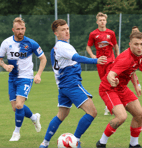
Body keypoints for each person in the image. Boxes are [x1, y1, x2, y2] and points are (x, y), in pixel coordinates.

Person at [39, 19, 107, 148]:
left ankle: (45, 143)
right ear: (56, 33)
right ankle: (74, 141)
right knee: (92, 112)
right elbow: (77, 58)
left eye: (67, 29)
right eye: (63, 30)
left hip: (63, 86)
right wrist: (96, 61)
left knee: (61, 115)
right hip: (71, 84)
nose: (67, 32)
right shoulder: (63, 46)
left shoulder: (55, 49)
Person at [0, 17, 47, 141]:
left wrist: (38, 74)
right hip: (12, 78)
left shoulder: (31, 43)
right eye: (18, 29)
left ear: (25, 29)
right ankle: (34, 118)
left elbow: (43, 58)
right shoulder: (6, 43)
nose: (20, 31)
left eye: (22, 29)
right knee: (16, 108)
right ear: (13, 30)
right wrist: (5, 66)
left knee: (19, 105)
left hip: (26, 77)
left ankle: (16, 133)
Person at [96, 31, 142, 148]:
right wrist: (113, 80)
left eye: (141, 44)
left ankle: (134, 144)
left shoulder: (140, 55)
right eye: (136, 44)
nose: (139, 47)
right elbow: (111, 74)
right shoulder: (125, 58)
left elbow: (132, 71)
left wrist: (136, 85)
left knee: (139, 115)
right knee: (121, 117)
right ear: (130, 44)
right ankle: (101, 143)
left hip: (122, 88)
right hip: (108, 88)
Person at [86, 12, 119, 115]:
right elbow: (88, 47)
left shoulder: (111, 33)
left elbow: (115, 46)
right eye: (100, 20)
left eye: (103, 20)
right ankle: (110, 105)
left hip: (111, 61)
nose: (102, 22)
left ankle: (109, 107)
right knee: (105, 83)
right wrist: (93, 56)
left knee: (110, 81)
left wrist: (117, 57)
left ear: (106, 21)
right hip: (100, 62)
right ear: (97, 22)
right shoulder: (93, 34)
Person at [131, 26, 142, 94]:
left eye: (136, 31)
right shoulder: (131, 39)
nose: (135, 32)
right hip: (134, 58)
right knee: (132, 71)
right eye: (133, 31)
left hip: (141, 58)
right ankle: (137, 84)